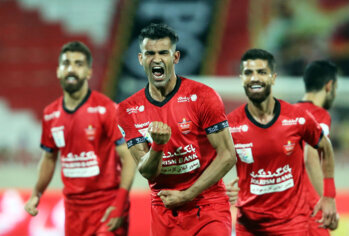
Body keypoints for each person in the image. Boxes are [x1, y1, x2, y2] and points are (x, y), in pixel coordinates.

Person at [117, 23, 236, 235]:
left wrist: (188, 194)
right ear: (140, 59)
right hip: (165, 210)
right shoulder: (128, 109)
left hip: (207, 206)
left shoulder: (203, 96)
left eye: (164, 52)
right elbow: (146, 172)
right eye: (149, 53)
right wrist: (158, 146)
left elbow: (227, 155)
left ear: (176, 57)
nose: (157, 59)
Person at [24, 41, 137, 236]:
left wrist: (120, 201)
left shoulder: (106, 108)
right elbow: (49, 158)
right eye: (66, 63)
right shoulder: (51, 114)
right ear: (58, 71)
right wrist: (37, 192)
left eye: (78, 64)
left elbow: (129, 157)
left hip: (107, 206)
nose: (71, 69)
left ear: (88, 72)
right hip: (73, 211)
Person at [227, 49, 337, 235]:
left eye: (261, 72)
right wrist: (221, 188)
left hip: (291, 225)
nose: (255, 78)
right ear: (242, 78)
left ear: (273, 77)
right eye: (248, 73)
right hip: (249, 226)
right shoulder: (230, 125)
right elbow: (208, 162)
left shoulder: (298, 118)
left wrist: (329, 196)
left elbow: (324, 148)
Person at [295, 60, 339, 233]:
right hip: (308, 211)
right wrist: (327, 200)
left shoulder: (288, 113)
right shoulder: (319, 115)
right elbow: (310, 155)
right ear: (329, 85)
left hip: (283, 212)